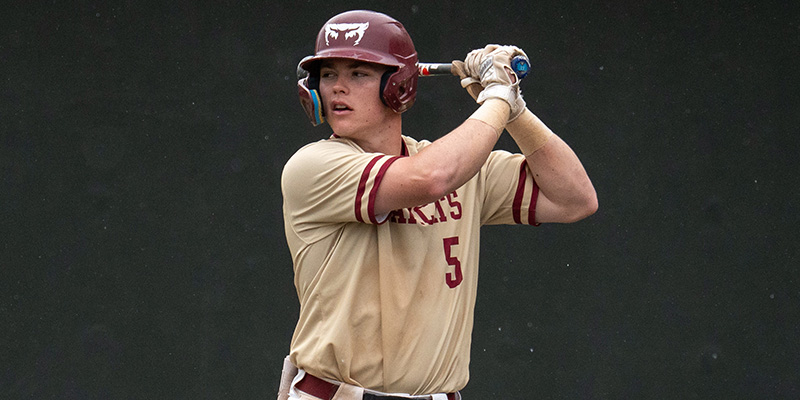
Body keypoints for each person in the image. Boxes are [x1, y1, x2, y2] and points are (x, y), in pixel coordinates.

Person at [279, 9, 597, 400]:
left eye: (358, 73)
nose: (337, 88)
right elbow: (431, 179)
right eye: (328, 74)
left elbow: (574, 198)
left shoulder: (460, 166)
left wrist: (515, 109)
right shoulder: (312, 166)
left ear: (399, 86)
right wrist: (496, 98)